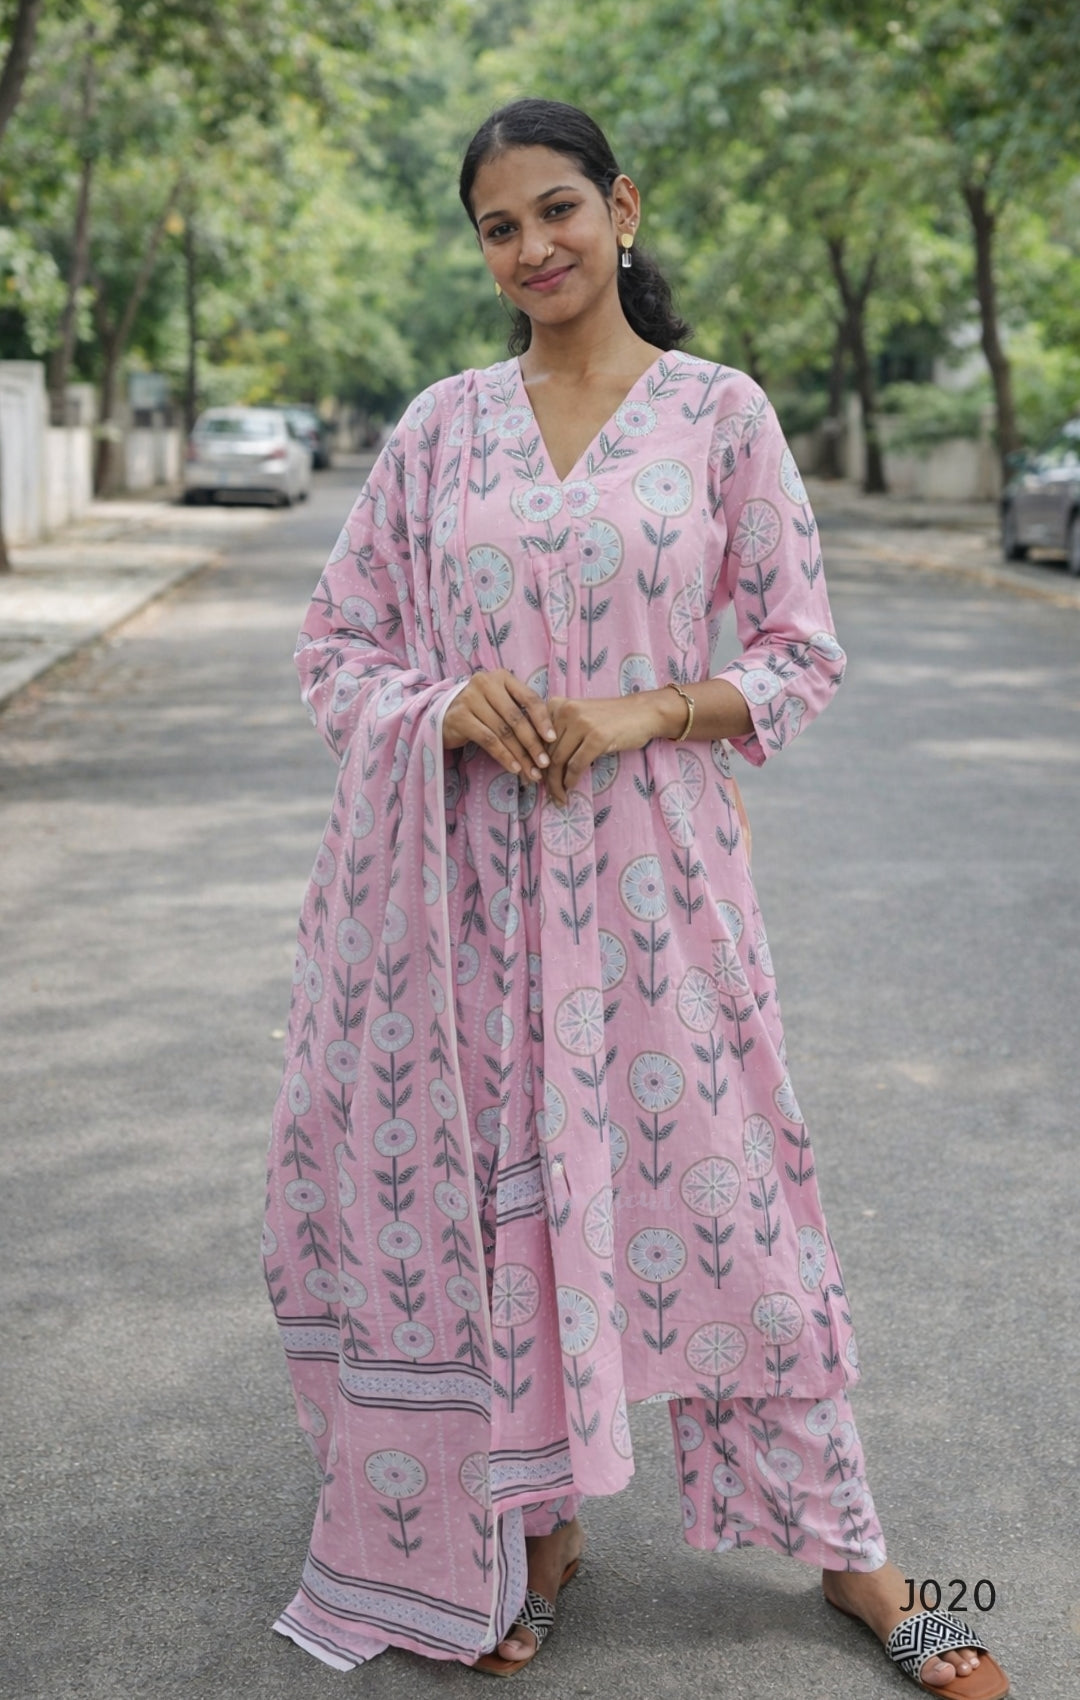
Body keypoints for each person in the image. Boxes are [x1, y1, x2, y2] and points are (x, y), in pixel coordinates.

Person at [262, 97, 1009, 1697]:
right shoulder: (439, 428)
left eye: (557, 211)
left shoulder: (718, 417)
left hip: (662, 888)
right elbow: (338, 648)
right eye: (498, 226)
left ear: (623, 210)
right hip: (466, 904)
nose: (532, 247)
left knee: (740, 1206)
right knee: (507, 1213)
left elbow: (799, 649)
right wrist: (445, 706)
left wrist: (643, 710)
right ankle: (537, 1535)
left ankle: (858, 1559)